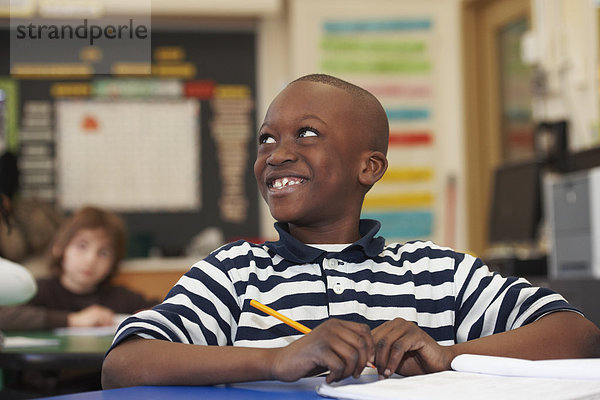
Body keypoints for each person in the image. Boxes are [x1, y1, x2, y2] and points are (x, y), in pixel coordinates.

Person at [102, 74, 600, 388]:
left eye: (308, 133)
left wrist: (447, 355)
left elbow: (577, 335)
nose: (276, 153)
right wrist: (277, 360)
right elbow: (124, 365)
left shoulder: (438, 272)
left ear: (370, 167)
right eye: (267, 139)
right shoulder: (234, 273)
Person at [0, 206, 159, 331]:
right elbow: (4, 315)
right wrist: (72, 320)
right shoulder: (38, 290)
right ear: (60, 248)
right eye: (82, 246)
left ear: (114, 263)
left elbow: (163, 308)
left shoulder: (121, 297)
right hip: (49, 371)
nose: (91, 260)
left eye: (103, 253)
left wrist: (146, 317)